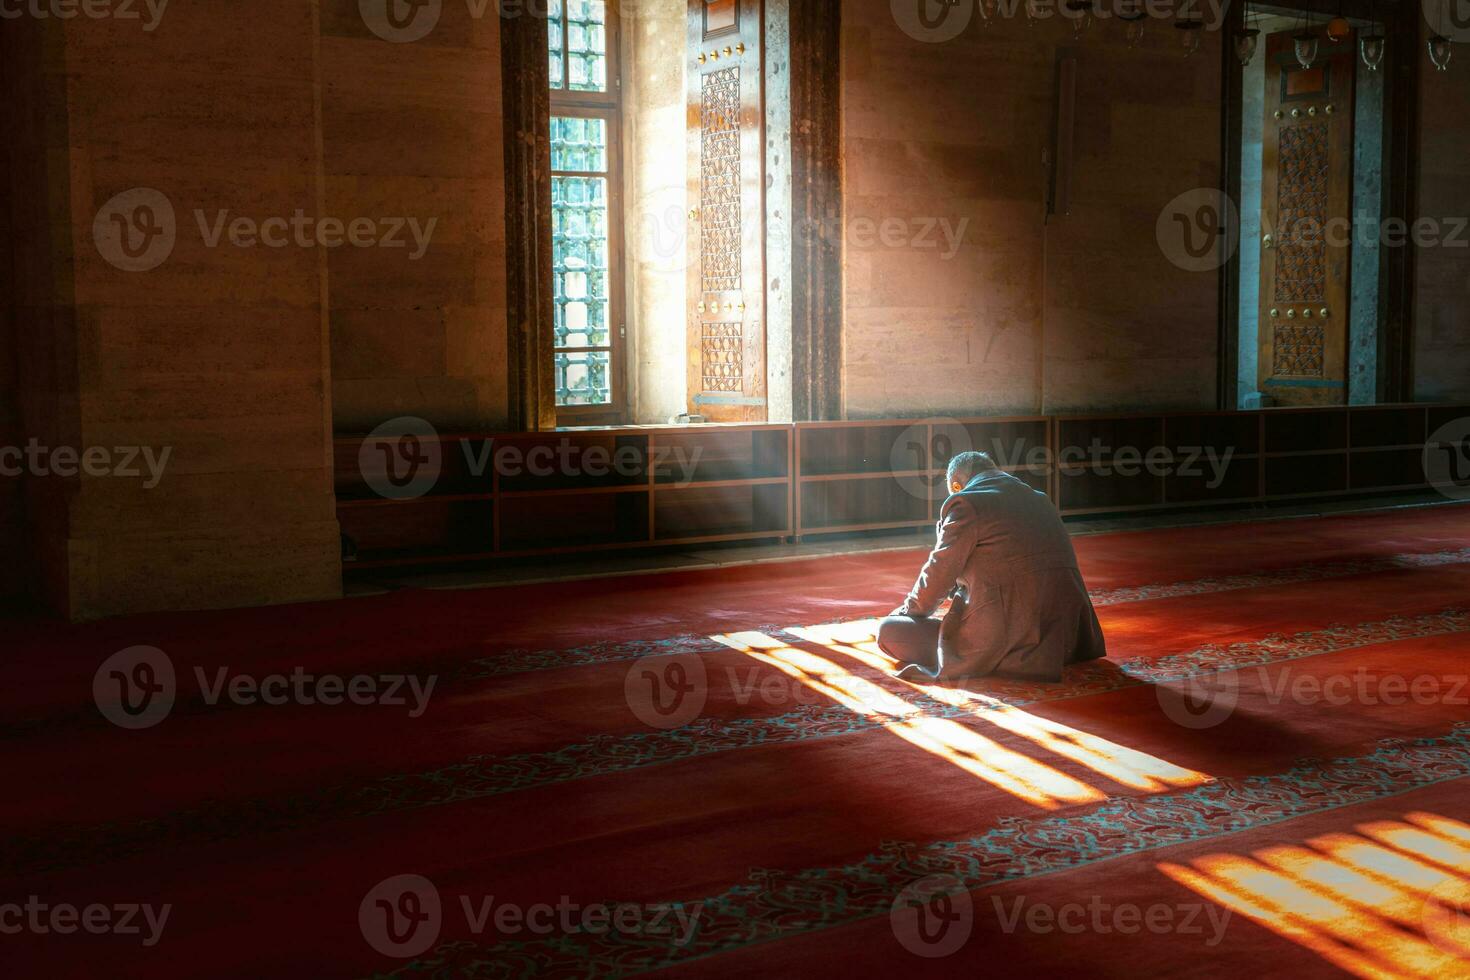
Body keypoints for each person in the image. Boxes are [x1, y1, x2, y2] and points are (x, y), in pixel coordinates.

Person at [877, 450, 1105, 682]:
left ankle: (997, 658)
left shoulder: (965, 502)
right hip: (1070, 640)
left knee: (889, 631)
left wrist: (906, 612)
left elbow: (938, 576)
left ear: (956, 485)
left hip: (1009, 642)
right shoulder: (1040, 499)